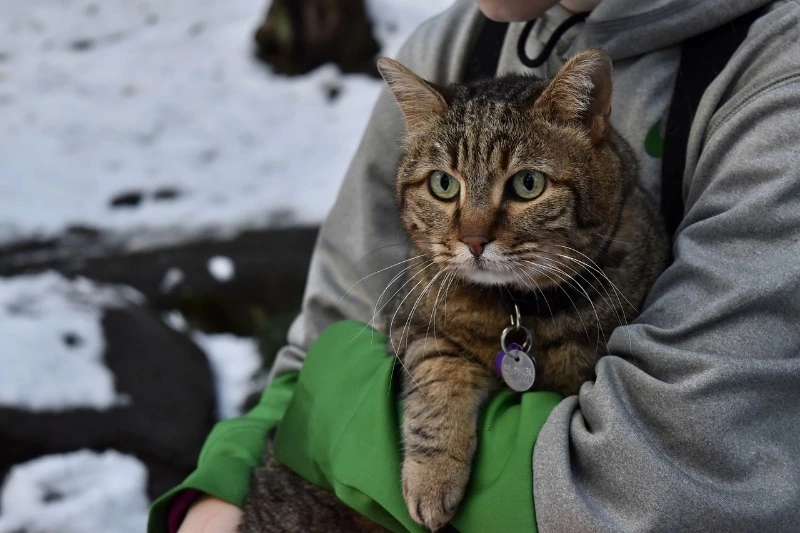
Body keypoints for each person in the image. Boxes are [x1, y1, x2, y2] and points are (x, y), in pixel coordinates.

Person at [149, 0, 800, 531]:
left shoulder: (777, 81)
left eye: (522, 190)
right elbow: (318, 348)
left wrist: (337, 416)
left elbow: (668, 487)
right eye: (444, 192)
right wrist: (218, 488)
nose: (474, 236)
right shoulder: (448, 50)